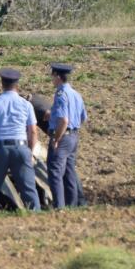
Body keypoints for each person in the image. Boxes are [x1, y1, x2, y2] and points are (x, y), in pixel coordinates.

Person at [0, 68, 39, 211]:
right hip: (21, 147)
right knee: (28, 189)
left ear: (2, 83)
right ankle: (36, 217)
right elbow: (33, 131)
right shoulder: (26, 104)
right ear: (17, 85)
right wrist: (30, 152)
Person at [46, 62, 87, 209]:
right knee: (69, 172)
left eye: (52, 76)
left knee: (55, 172)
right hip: (74, 137)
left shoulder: (60, 94)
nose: (51, 79)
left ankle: (59, 208)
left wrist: (57, 139)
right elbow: (82, 117)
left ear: (57, 76)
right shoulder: (76, 94)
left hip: (63, 137)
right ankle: (72, 206)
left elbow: (63, 120)